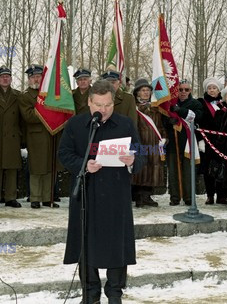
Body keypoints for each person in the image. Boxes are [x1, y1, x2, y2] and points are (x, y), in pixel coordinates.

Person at [58, 80, 145, 304]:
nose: (103, 110)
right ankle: (90, 293)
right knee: (86, 243)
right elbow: (64, 154)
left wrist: (132, 159)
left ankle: (115, 293)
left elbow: (140, 153)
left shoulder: (125, 124)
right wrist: (83, 165)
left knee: (117, 244)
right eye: (98, 105)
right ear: (89, 102)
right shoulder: (76, 124)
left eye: (107, 105)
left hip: (116, 193)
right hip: (87, 193)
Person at [18, 64, 60, 209]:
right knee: (36, 167)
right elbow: (28, 116)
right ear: (29, 79)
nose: (36, 79)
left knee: (50, 166)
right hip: (35, 137)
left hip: (51, 134)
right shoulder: (25, 96)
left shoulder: (50, 95)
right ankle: (35, 198)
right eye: (33, 77)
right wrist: (46, 111)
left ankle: (48, 198)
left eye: (39, 76)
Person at [0, 65, 23, 208]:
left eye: (7, 76)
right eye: (2, 77)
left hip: (13, 137)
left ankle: (10, 197)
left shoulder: (18, 95)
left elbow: (21, 119)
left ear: (11, 79)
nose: (5, 79)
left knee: (12, 168)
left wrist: (22, 137)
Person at [164, 79, 203, 206]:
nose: (183, 92)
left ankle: (188, 197)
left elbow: (196, 117)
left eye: (186, 89)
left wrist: (179, 111)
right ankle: (174, 197)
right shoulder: (170, 103)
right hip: (172, 141)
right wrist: (169, 122)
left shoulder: (195, 103)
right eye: (180, 89)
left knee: (188, 171)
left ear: (190, 90)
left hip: (188, 142)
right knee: (173, 170)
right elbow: (162, 119)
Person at [131, 78, 166, 208]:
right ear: (137, 93)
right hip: (140, 143)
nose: (146, 93)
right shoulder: (133, 108)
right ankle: (139, 196)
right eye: (143, 90)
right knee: (141, 169)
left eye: (148, 90)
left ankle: (147, 195)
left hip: (155, 144)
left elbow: (160, 126)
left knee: (153, 169)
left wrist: (164, 138)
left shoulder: (156, 109)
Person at [197, 77, 225, 205]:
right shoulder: (201, 103)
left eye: (214, 88)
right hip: (207, 141)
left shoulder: (223, 103)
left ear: (219, 90)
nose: (212, 90)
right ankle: (210, 195)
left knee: (221, 168)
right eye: (209, 88)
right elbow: (197, 123)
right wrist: (200, 140)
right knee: (208, 169)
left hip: (222, 142)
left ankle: (221, 195)